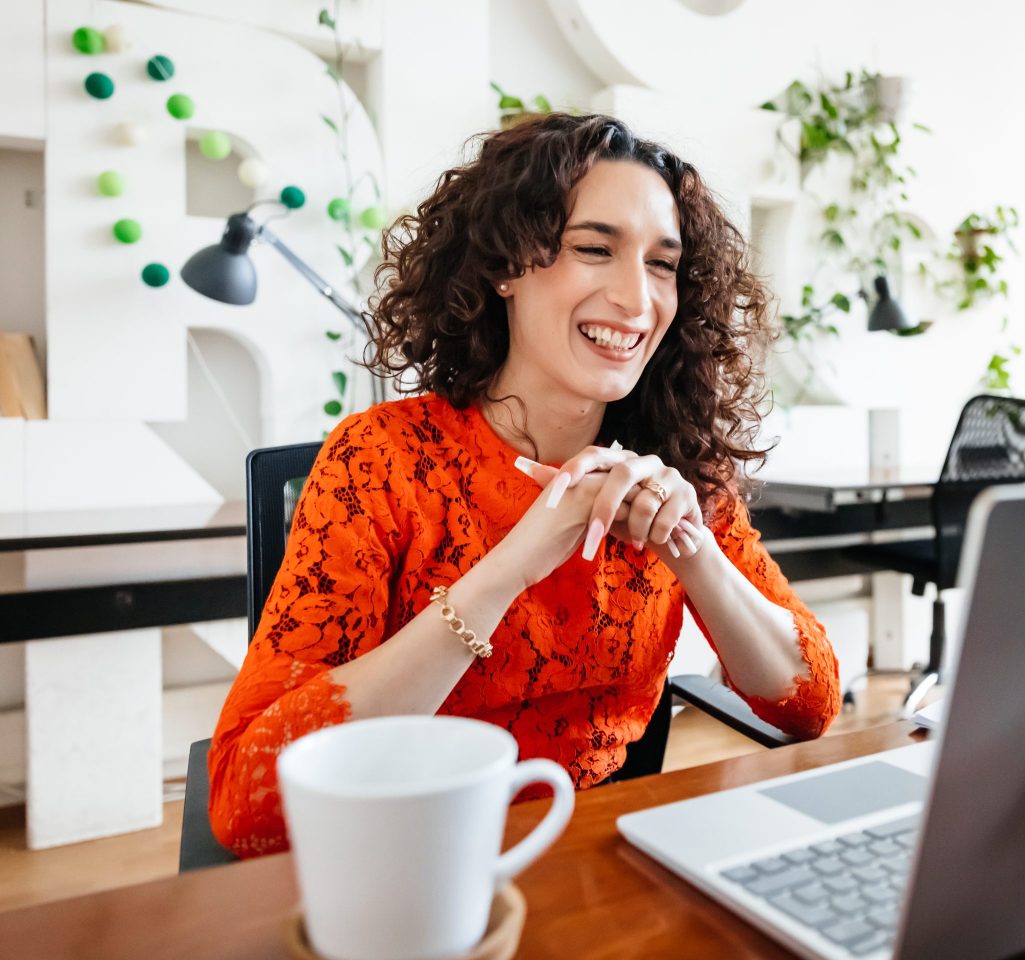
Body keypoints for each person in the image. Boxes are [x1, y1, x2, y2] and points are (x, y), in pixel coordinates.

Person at [208, 113, 841, 857]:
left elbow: (811, 705)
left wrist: (691, 548)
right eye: (594, 249)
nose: (638, 300)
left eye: (662, 264)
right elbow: (245, 803)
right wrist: (513, 566)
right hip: (413, 862)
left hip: (602, 861)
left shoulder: (676, 465)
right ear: (505, 264)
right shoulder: (380, 462)